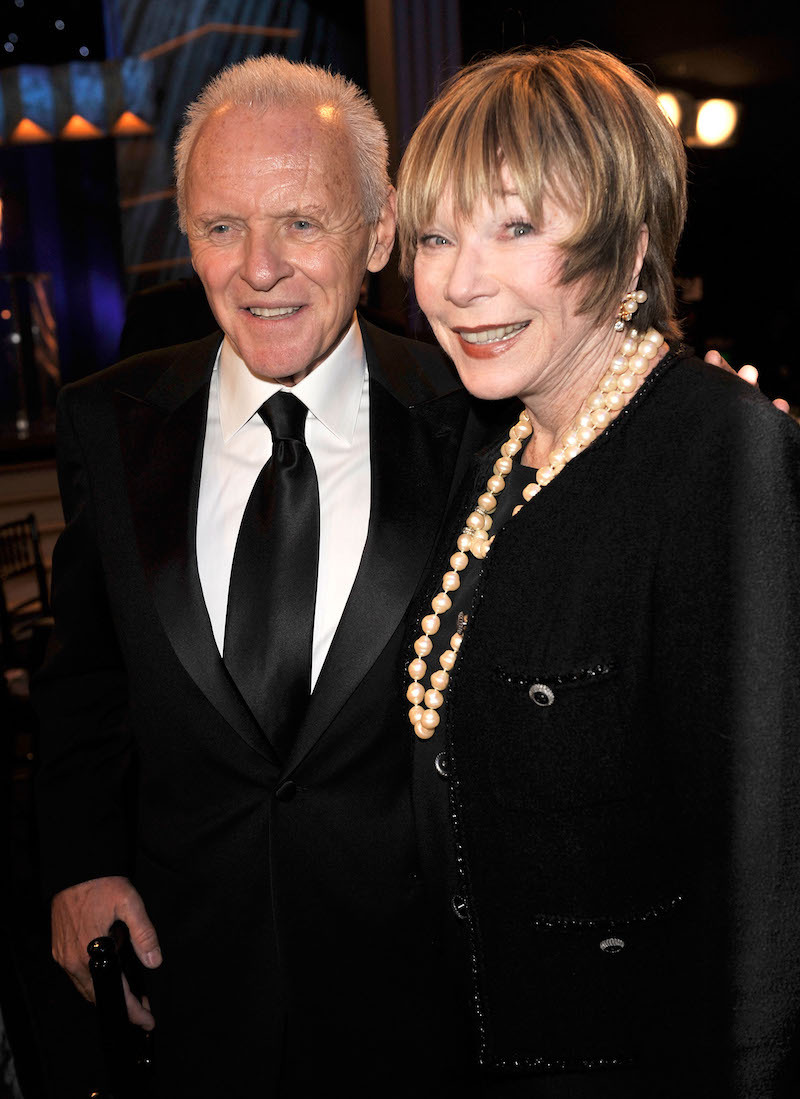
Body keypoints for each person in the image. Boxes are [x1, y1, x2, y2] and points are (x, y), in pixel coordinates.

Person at [33, 55, 487, 1096]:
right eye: (221, 226)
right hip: (186, 992)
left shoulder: (474, 425)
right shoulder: (110, 424)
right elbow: (84, 684)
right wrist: (79, 861)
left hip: (425, 1008)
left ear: (376, 236)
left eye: (301, 222)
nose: (259, 268)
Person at [396, 46, 800, 1096]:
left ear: (626, 249)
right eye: (435, 234)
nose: (456, 280)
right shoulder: (487, 451)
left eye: (515, 227)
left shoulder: (718, 449)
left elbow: (764, 869)